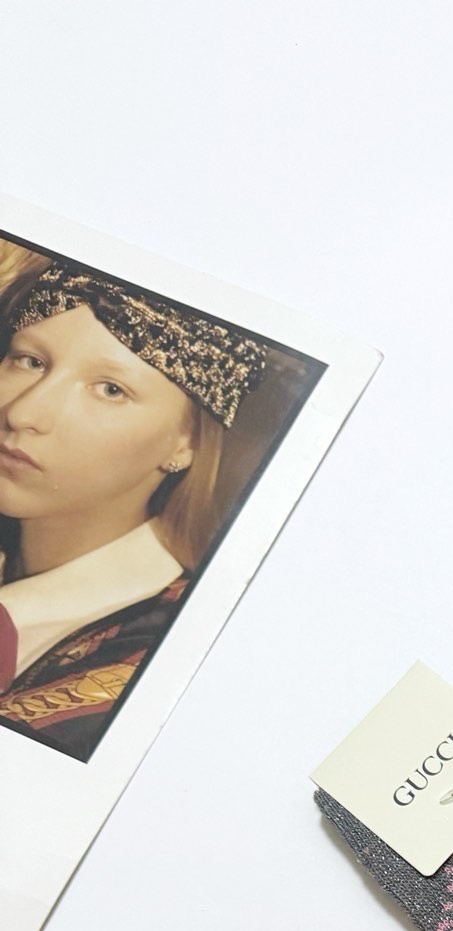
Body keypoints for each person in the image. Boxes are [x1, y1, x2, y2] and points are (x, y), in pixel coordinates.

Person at [0, 260, 265, 760]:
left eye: (110, 390)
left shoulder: (143, 670)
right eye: (29, 361)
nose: (23, 412)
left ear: (186, 443)